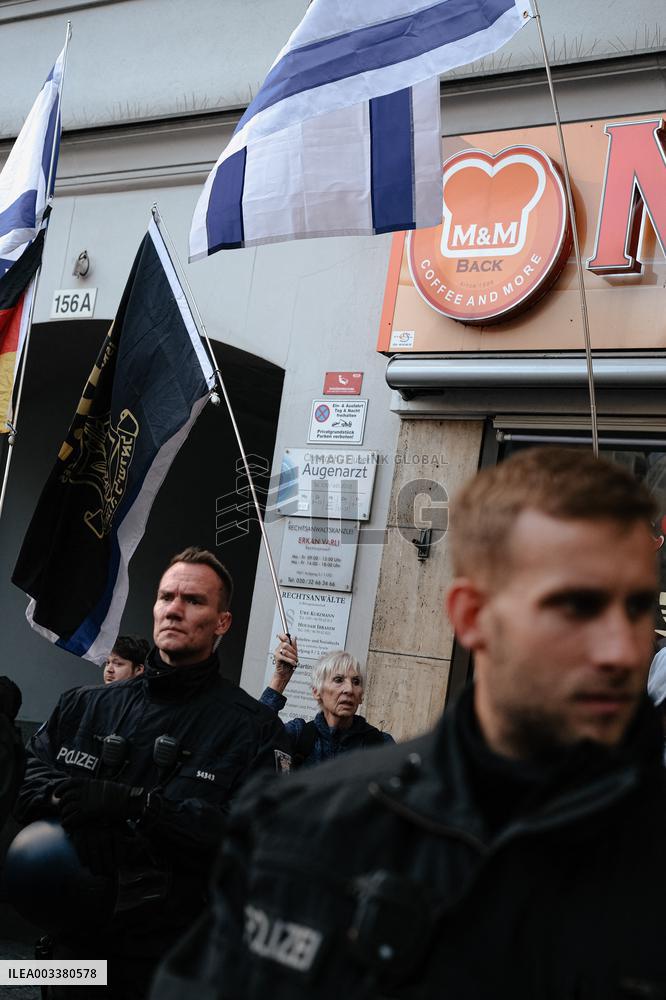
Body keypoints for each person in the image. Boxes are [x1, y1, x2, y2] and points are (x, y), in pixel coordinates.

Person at [151, 448, 666, 1000]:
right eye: (577, 606)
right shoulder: (303, 823)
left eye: (638, 608)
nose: (620, 648)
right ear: (473, 616)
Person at [11, 546, 290, 999]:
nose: (175, 610)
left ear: (222, 622)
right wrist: (74, 803)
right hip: (73, 956)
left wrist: (143, 808)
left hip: (171, 961)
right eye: (166, 597)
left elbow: (255, 837)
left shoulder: (253, 728)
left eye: (194, 601)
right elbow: (26, 777)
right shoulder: (86, 705)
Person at [260, 636, 393, 765]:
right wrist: (280, 679)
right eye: (338, 680)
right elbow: (255, 739)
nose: (349, 689)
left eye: (356, 682)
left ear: (361, 696)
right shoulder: (299, 735)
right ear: (316, 691)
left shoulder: (381, 745)